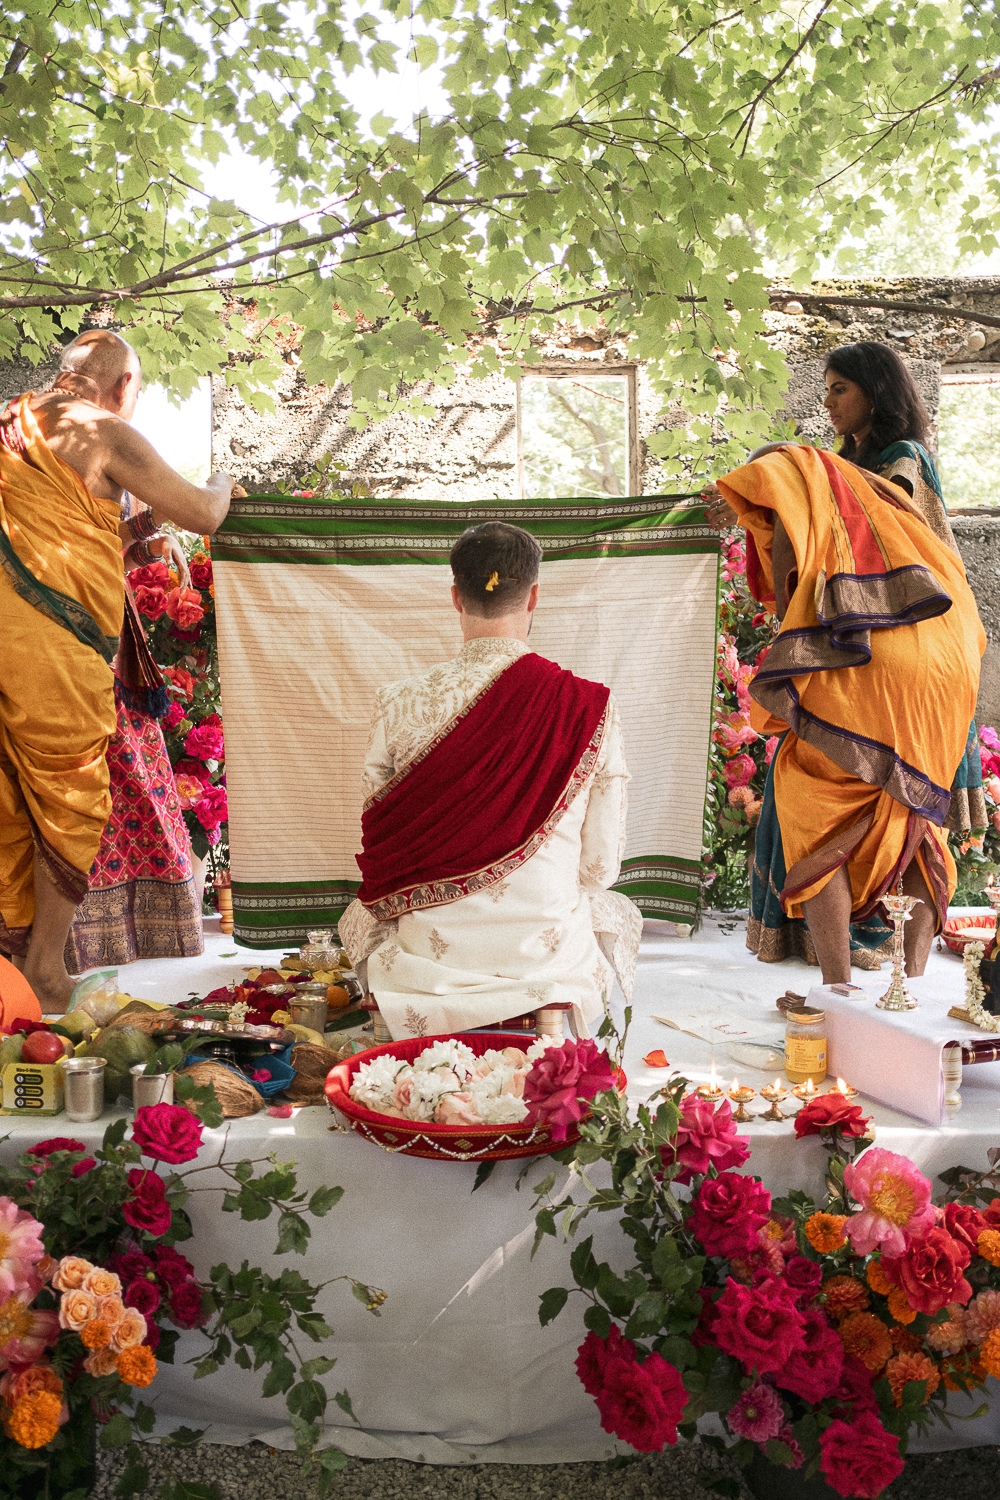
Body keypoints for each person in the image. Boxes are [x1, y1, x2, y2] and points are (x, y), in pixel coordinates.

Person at [0, 329, 237, 1009]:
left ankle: (15, 962)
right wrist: (223, 479)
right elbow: (204, 511)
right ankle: (45, 967)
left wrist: (129, 536)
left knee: (11, 797)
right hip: (50, 648)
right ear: (124, 386)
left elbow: (51, 543)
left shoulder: (13, 425)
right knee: (73, 794)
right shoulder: (102, 429)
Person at [339, 522, 642, 1039]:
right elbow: (599, 867)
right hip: (544, 952)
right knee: (604, 906)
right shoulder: (587, 705)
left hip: (428, 959)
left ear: (456, 597)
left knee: (362, 919)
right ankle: (548, 1010)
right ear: (534, 596)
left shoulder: (399, 701)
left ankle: (419, 1012)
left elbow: (381, 847)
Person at [711, 443, 984, 986]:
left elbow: (790, 586)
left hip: (872, 663)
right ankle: (909, 986)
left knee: (808, 799)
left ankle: (838, 987)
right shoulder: (884, 494)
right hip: (949, 661)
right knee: (910, 814)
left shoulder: (795, 473)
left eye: (840, 389)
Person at [65, 502, 203, 971]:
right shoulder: (34, 464)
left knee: (135, 775)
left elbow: (101, 550)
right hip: (61, 633)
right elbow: (72, 550)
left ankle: (138, 929)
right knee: (82, 780)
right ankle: (66, 940)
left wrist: (145, 547)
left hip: (107, 628)